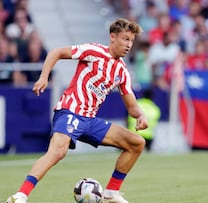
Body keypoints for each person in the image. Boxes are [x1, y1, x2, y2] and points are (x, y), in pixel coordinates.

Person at [6, 18, 148, 203]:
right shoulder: (94, 51)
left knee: (136, 143)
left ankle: (111, 193)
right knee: (57, 152)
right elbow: (57, 52)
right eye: (125, 39)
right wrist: (44, 77)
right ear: (113, 37)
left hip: (89, 120)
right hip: (70, 111)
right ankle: (20, 195)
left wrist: (141, 115)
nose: (128, 45)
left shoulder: (121, 71)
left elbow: (132, 107)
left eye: (131, 40)